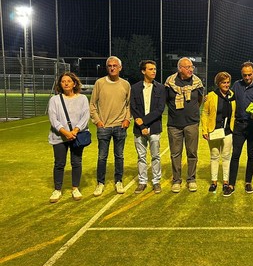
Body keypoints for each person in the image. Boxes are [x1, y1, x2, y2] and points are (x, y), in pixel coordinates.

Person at [223, 61, 253, 197]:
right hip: (238, 125)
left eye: (249, 74)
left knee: (251, 155)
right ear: (241, 74)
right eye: (244, 75)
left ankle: (248, 182)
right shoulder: (237, 85)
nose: (247, 77)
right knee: (235, 155)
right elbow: (228, 97)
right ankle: (231, 184)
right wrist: (213, 96)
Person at [90, 56, 131, 196]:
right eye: (109, 65)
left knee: (119, 156)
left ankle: (118, 181)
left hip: (120, 126)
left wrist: (127, 120)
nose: (112, 68)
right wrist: (98, 121)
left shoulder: (125, 84)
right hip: (104, 127)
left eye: (115, 65)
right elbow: (92, 104)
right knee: (102, 157)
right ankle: (100, 183)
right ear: (107, 67)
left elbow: (129, 105)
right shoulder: (99, 83)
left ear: (120, 67)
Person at [47, 73, 90, 203]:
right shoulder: (54, 100)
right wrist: (66, 132)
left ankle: (75, 188)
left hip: (77, 135)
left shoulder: (82, 98)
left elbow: (85, 116)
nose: (66, 83)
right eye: (63, 81)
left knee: (76, 162)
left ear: (74, 83)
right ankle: (57, 190)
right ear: (60, 84)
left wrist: (75, 130)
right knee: (59, 163)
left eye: (69, 81)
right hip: (59, 136)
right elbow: (53, 119)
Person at [165, 57, 204, 193]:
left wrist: (191, 112)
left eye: (191, 66)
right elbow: (166, 100)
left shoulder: (197, 83)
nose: (190, 69)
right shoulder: (170, 83)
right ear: (180, 69)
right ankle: (176, 180)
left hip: (192, 123)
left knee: (192, 153)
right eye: (187, 67)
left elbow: (199, 100)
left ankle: (191, 179)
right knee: (175, 154)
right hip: (174, 125)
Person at [130, 60, 166, 194]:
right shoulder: (135, 88)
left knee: (156, 156)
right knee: (141, 156)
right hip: (139, 129)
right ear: (143, 71)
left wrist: (143, 122)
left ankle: (156, 181)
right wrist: (141, 126)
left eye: (155, 69)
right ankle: (142, 182)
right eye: (150, 69)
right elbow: (133, 107)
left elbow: (160, 109)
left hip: (154, 127)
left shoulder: (161, 88)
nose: (154, 71)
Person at [201, 72, 236, 193]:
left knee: (226, 157)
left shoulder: (232, 95)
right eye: (223, 82)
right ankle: (214, 182)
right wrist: (205, 130)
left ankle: (226, 182)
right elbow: (205, 113)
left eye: (228, 82)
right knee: (214, 156)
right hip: (214, 131)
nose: (226, 85)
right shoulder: (211, 95)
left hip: (228, 131)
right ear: (218, 83)